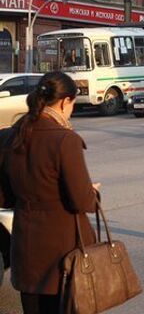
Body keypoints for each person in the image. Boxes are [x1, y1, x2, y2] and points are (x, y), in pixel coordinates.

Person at [0, 72, 100, 314]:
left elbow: (5, 197)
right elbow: (83, 201)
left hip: (26, 249)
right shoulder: (65, 140)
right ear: (65, 101)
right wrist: (92, 192)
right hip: (62, 254)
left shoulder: (10, 136)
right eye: (73, 104)